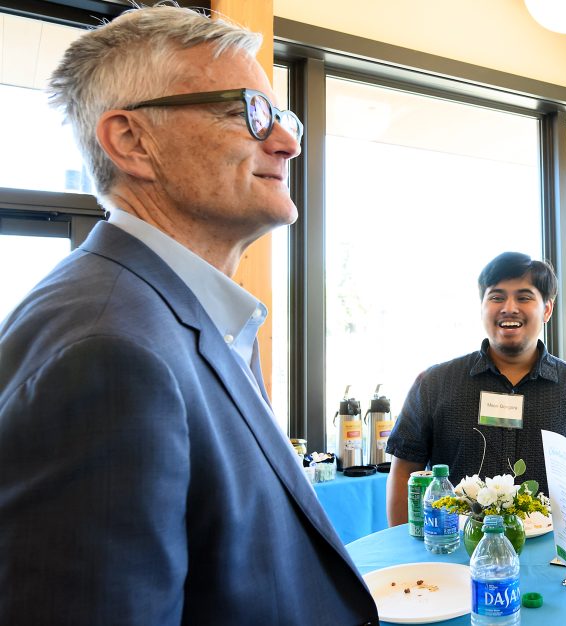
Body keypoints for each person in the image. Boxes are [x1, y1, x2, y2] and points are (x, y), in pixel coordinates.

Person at [0, 6, 378, 625]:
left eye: (283, 117)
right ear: (131, 142)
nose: (285, 142)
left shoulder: (189, 318)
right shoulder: (109, 351)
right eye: (249, 113)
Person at [385, 251, 566, 524]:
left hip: (552, 558)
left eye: (524, 297)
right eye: (497, 297)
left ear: (547, 309)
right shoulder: (432, 385)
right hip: (455, 554)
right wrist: (405, 546)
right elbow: (404, 469)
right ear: (482, 307)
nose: (509, 307)